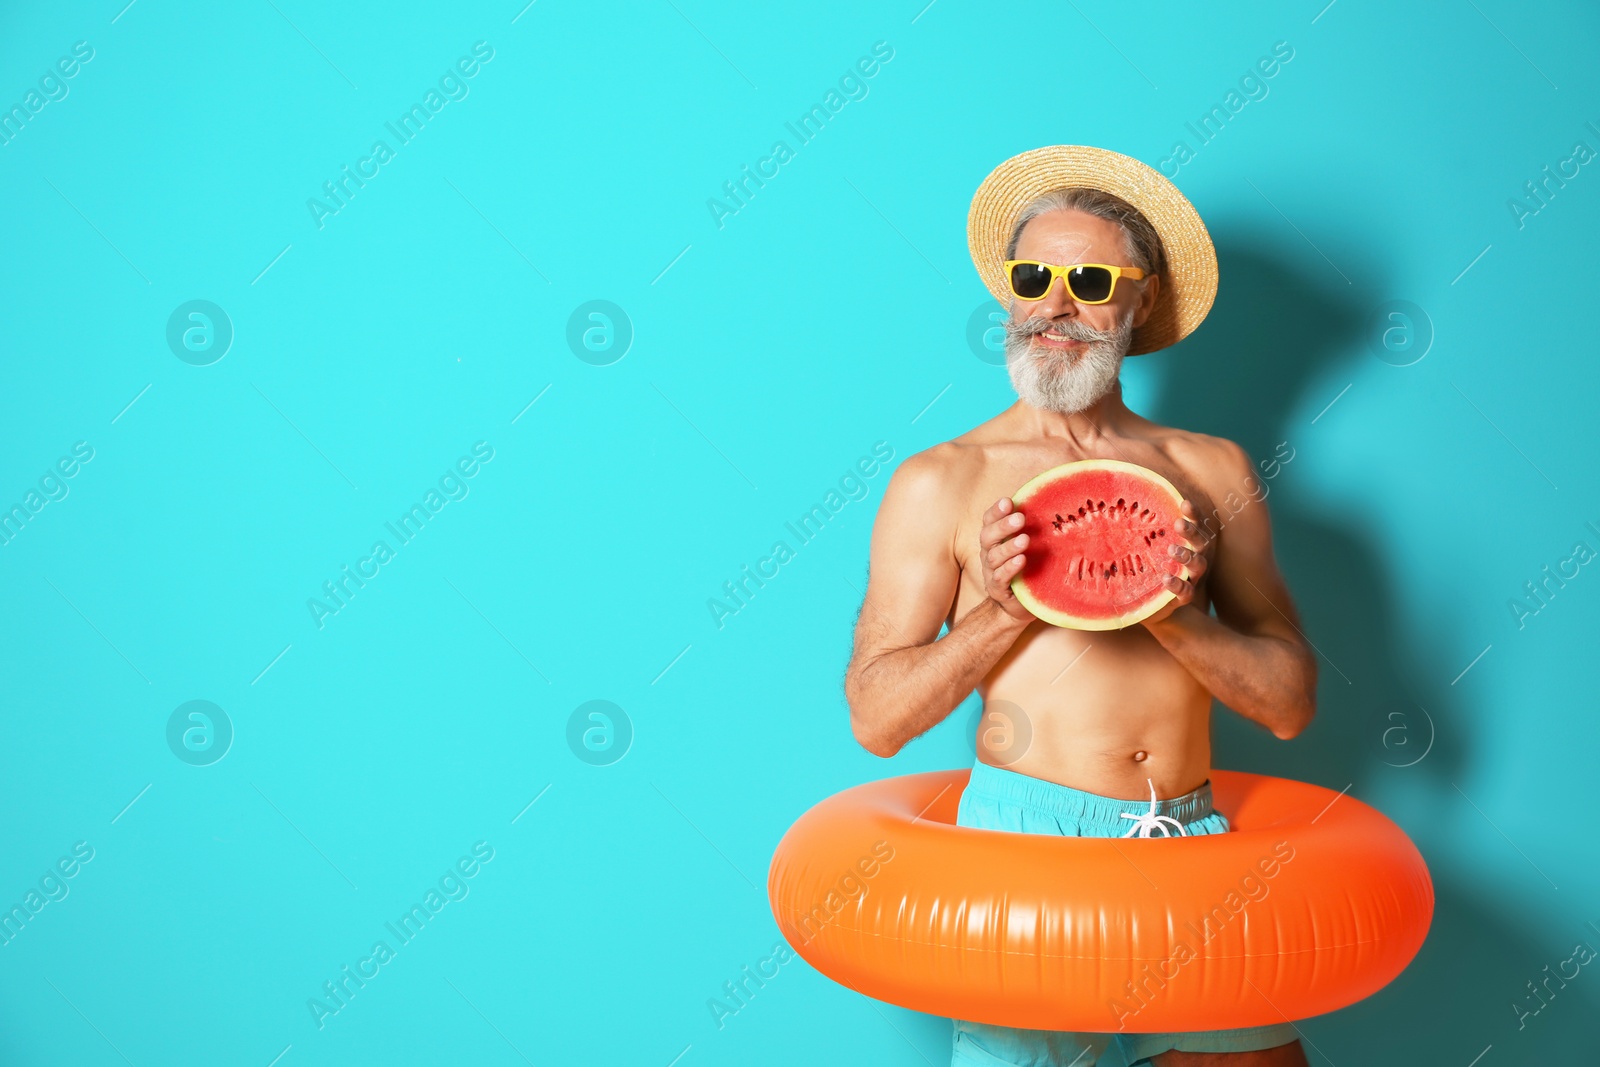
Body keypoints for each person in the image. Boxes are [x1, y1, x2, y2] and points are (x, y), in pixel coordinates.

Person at [843, 145, 1317, 1067]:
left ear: (1141, 304)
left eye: (1091, 278)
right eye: (1033, 276)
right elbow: (877, 718)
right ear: (1009, 298)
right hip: (1026, 853)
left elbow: (1290, 704)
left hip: (1190, 844)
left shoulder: (1210, 471)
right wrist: (1008, 607)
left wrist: (1174, 613)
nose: (1056, 304)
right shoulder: (941, 481)